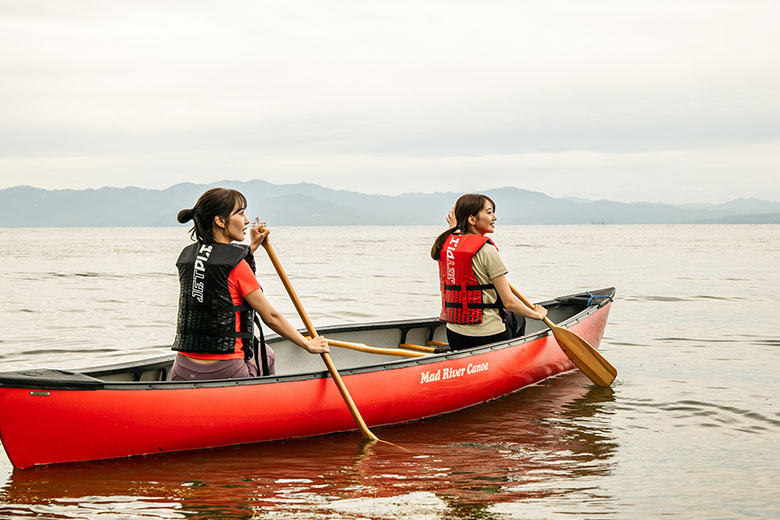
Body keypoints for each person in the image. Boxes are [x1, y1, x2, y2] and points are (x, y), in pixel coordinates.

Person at [171, 187, 329, 381]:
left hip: (182, 368)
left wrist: (251, 248)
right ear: (220, 221)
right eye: (240, 213)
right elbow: (271, 317)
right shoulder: (237, 265)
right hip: (226, 369)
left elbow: (218, 279)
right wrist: (308, 345)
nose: (246, 220)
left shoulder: (186, 259)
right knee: (267, 354)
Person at [430, 193, 548, 350]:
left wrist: (454, 225)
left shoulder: (445, 245)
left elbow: (453, 236)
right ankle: (514, 354)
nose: (494, 218)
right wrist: (537, 314)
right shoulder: (487, 250)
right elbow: (510, 302)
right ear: (472, 219)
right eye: (489, 212)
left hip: (455, 336)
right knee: (517, 315)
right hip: (488, 338)